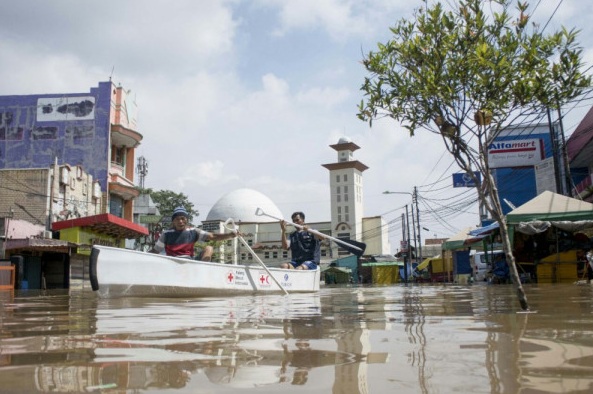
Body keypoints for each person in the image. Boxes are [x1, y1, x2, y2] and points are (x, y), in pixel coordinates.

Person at [151, 206, 237, 261]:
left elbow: (212, 236)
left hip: (190, 262)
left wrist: (230, 235)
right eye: (177, 219)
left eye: (182, 218)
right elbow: (155, 251)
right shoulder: (166, 234)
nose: (180, 221)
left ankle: (203, 271)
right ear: (173, 221)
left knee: (209, 248)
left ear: (186, 220)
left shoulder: (193, 231)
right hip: (173, 262)